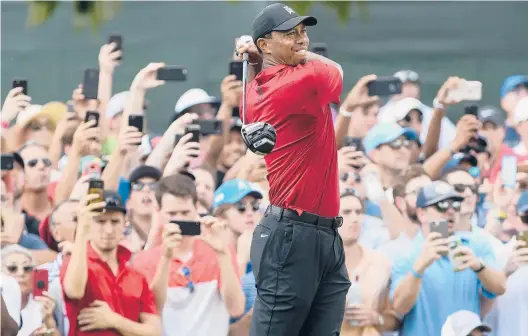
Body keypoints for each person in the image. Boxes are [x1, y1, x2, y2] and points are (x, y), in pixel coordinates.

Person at [236, 3, 350, 335]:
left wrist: (261, 57)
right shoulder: (300, 79)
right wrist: (304, 55)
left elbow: (270, 68)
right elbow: (336, 71)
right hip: (293, 235)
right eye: (289, 34)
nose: (301, 40)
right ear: (264, 44)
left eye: (302, 31)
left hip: (318, 233)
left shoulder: (263, 82)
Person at [60, 191, 161, 336]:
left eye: (114, 222)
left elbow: (154, 332)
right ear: (89, 224)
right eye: (100, 221)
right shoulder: (75, 262)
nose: (108, 230)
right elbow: (74, 291)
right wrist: (82, 230)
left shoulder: (136, 275)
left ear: (125, 224)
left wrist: (114, 321)